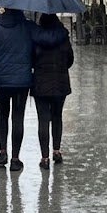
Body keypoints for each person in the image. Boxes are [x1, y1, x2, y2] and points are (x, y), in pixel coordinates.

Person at [0, 8, 67, 172]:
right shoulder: (28, 27)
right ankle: (15, 159)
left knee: (2, 114)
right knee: (17, 117)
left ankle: (2, 151)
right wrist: (62, 31)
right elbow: (47, 39)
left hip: (1, 81)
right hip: (22, 81)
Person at [31, 13, 74, 169]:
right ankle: (56, 150)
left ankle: (44, 158)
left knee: (43, 120)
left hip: (40, 84)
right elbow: (70, 59)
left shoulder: (35, 36)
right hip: (60, 83)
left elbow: (31, 58)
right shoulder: (63, 36)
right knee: (57, 117)